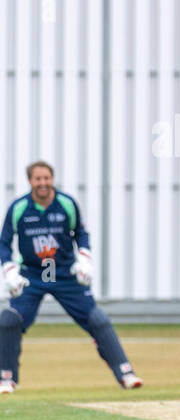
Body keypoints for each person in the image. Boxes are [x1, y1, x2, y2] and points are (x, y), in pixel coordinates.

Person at [0, 161, 143, 393]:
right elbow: (4, 243)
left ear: (52, 179)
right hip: (33, 274)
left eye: (46, 178)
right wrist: (9, 270)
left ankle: (125, 373)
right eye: (38, 179)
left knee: (97, 319)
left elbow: (81, 234)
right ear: (30, 181)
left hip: (64, 273)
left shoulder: (66, 204)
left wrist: (84, 259)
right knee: (9, 319)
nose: (43, 183)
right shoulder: (18, 208)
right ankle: (6, 378)